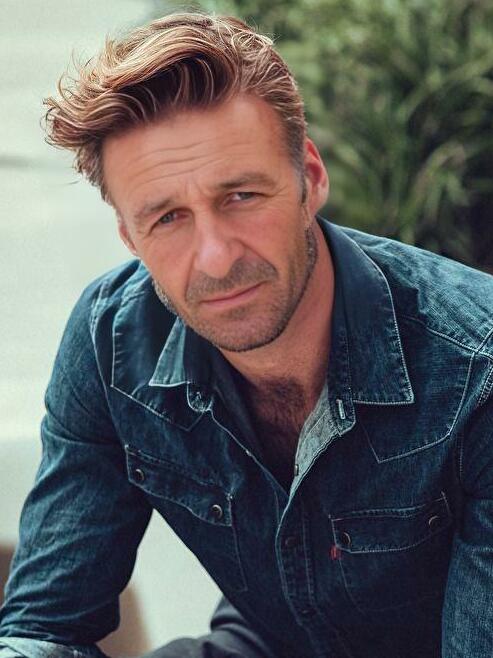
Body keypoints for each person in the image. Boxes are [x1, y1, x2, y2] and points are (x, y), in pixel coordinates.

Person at [0, 11, 492, 658]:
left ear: (309, 178)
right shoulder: (111, 345)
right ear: (129, 237)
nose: (215, 258)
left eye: (241, 197)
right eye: (167, 218)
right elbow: (45, 626)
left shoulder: (474, 368)